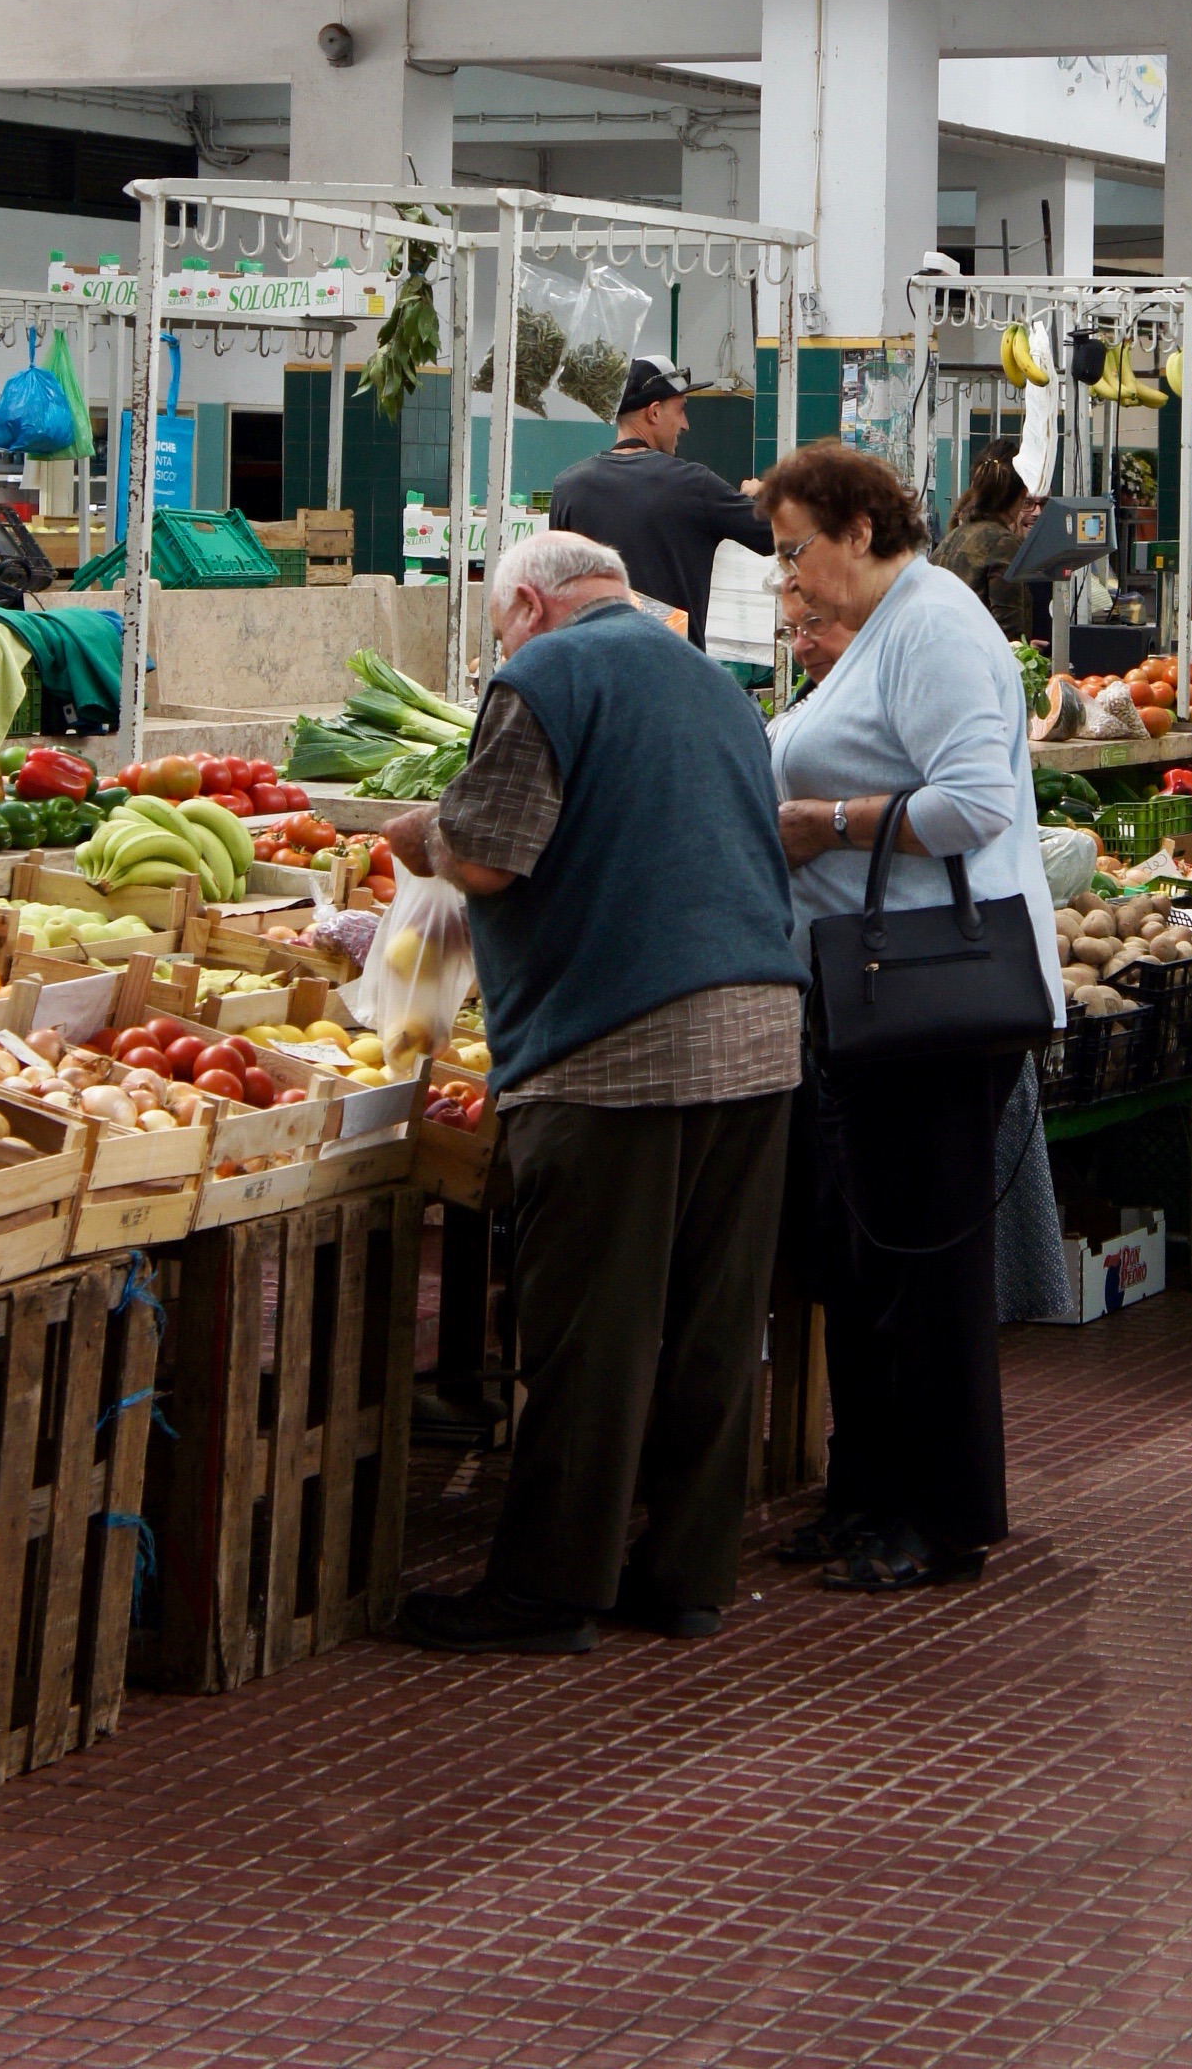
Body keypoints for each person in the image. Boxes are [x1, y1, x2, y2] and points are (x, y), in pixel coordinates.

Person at [388, 529, 805, 1657]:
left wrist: (411, 833)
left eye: (495, 633)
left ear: (527, 603)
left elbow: (487, 855)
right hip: (763, 1025)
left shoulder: (549, 673)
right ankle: (683, 1578)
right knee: (712, 1322)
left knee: (593, 1326)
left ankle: (546, 1589)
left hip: (620, 1039)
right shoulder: (712, 677)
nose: (499, 654)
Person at [761, 441, 1060, 1597]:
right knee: (862, 1255)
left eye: (798, 549)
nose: (790, 576)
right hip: (862, 989)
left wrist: (826, 820)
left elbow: (975, 800)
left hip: (931, 996)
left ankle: (941, 1520)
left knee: (925, 1265)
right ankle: (864, 1493)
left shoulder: (933, 624)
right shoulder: (881, 631)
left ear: (858, 529)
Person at [548, 354, 774, 647]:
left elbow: (557, 593)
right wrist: (757, 496)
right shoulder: (694, 485)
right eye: (681, 410)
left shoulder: (568, 488)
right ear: (654, 412)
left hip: (593, 675)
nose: (686, 425)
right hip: (673, 675)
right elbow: (775, 534)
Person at [931, 446, 1043, 636]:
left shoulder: (950, 540)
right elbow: (1009, 633)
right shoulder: (1002, 544)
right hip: (979, 662)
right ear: (1022, 494)